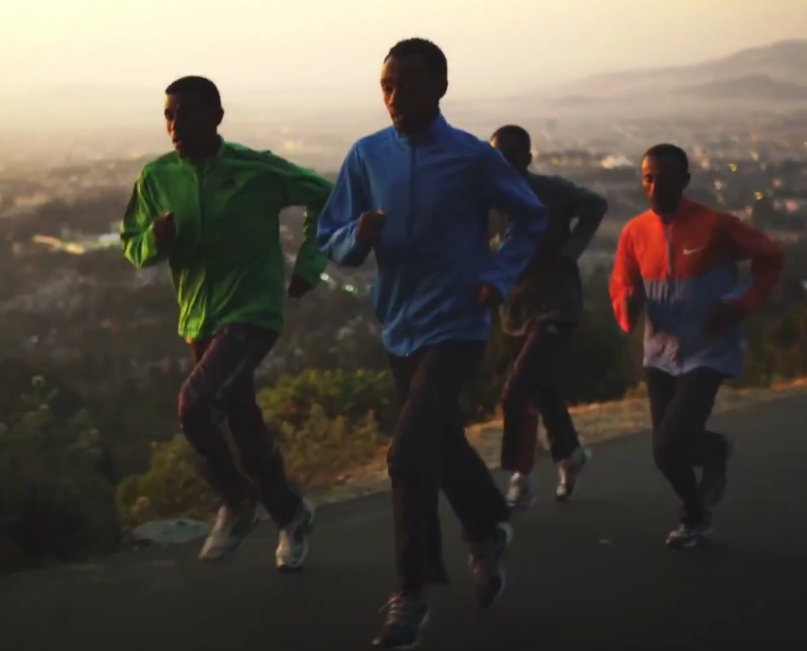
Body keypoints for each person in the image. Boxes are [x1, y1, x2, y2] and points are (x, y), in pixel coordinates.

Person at [317, 39, 547, 650]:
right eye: (386, 86)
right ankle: (489, 525)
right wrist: (356, 236)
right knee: (439, 441)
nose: (394, 97)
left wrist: (498, 279)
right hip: (399, 325)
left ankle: (411, 596)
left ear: (440, 87)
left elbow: (531, 217)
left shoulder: (472, 157)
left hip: (459, 324)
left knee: (408, 451)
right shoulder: (366, 156)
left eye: (408, 85)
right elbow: (329, 237)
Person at [121, 76, 332, 570]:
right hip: (198, 318)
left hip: (252, 312)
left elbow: (327, 196)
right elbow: (133, 246)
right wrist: (156, 238)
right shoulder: (156, 178)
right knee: (242, 420)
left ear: (217, 115)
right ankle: (291, 514)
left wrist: (308, 266)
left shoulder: (255, 169)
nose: (175, 125)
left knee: (194, 404)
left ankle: (237, 502)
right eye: (168, 115)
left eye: (187, 114)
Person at [609, 143, 783, 549]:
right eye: (648, 177)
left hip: (708, 350)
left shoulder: (716, 224)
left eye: (665, 177)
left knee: (672, 442)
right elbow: (621, 284)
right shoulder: (634, 231)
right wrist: (628, 307)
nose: (655, 185)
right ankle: (713, 456)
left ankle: (692, 517)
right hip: (659, 352)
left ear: (685, 181)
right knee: (667, 452)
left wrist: (738, 304)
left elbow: (771, 258)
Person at [490, 125, 608, 509]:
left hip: (556, 303)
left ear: (527, 158)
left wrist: (571, 249)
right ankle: (570, 453)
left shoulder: (550, 191)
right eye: (496, 155)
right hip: (514, 309)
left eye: (510, 155)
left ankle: (520, 478)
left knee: (518, 388)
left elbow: (595, 205)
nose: (502, 163)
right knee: (541, 386)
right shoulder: (488, 200)